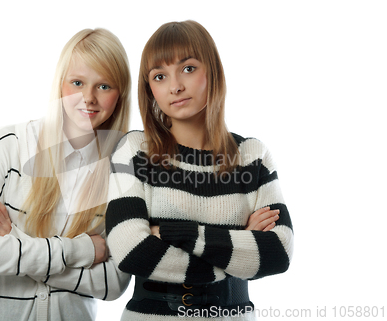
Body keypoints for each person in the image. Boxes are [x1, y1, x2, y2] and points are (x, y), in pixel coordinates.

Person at [105, 20, 294, 320]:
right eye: (160, 76)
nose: (175, 85)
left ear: (212, 70)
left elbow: (278, 253)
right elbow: (130, 250)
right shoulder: (135, 150)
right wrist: (238, 246)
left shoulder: (253, 155)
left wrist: (167, 232)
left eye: (188, 68)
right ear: (150, 88)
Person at [0, 28, 132, 321]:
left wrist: (13, 243)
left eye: (104, 86)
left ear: (119, 94)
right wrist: (79, 251)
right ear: (60, 84)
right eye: (77, 82)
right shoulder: (9, 145)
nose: (88, 98)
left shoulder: (121, 171)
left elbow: (113, 283)